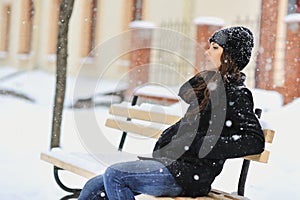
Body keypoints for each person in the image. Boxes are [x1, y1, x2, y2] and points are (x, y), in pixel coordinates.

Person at [78, 26, 265, 200]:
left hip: (189, 175)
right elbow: (185, 91)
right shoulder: (212, 87)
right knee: (93, 187)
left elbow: (255, 141)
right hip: (172, 164)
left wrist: (202, 144)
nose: (207, 53)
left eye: (214, 48)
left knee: (115, 175)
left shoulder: (237, 94)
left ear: (229, 55)